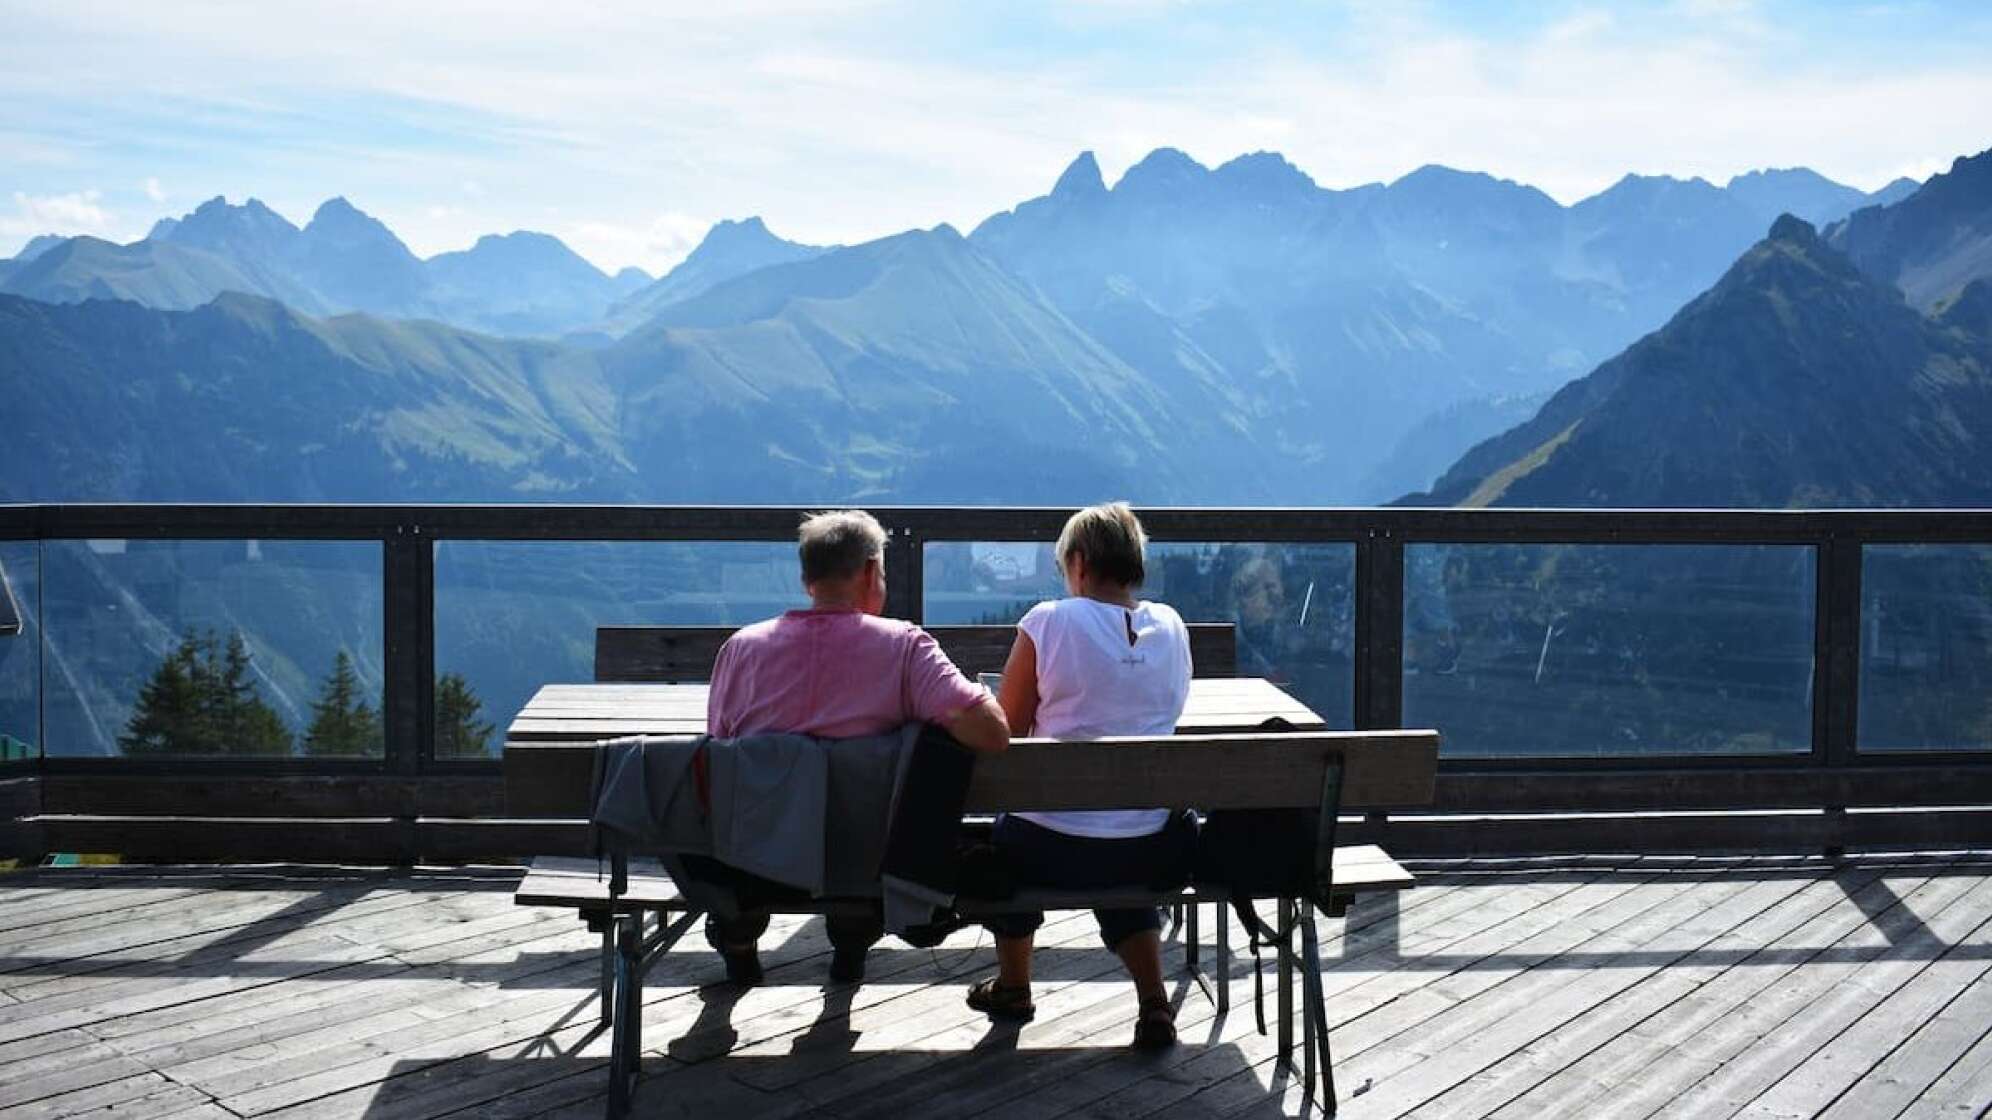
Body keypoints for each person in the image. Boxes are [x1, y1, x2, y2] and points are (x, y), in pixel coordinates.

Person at [703, 509, 1010, 985]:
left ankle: (739, 936)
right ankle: (850, 945)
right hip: (866, 862)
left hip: (760, 860)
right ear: (870, 572)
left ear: (807, 579)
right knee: (866, 818)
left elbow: (721, 752)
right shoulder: (905, 648)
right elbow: (992, 732)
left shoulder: (740, 650)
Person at [971, 502, 1194, 1049]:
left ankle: (1016, 985)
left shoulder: (1048, 621)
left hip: (1046, 849)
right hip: (1149, 850)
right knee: (1124, 825)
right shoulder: (1171, 626)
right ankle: (1153, 1002)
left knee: (1008, 838)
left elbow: (1010, 731)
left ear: (1078, 561)